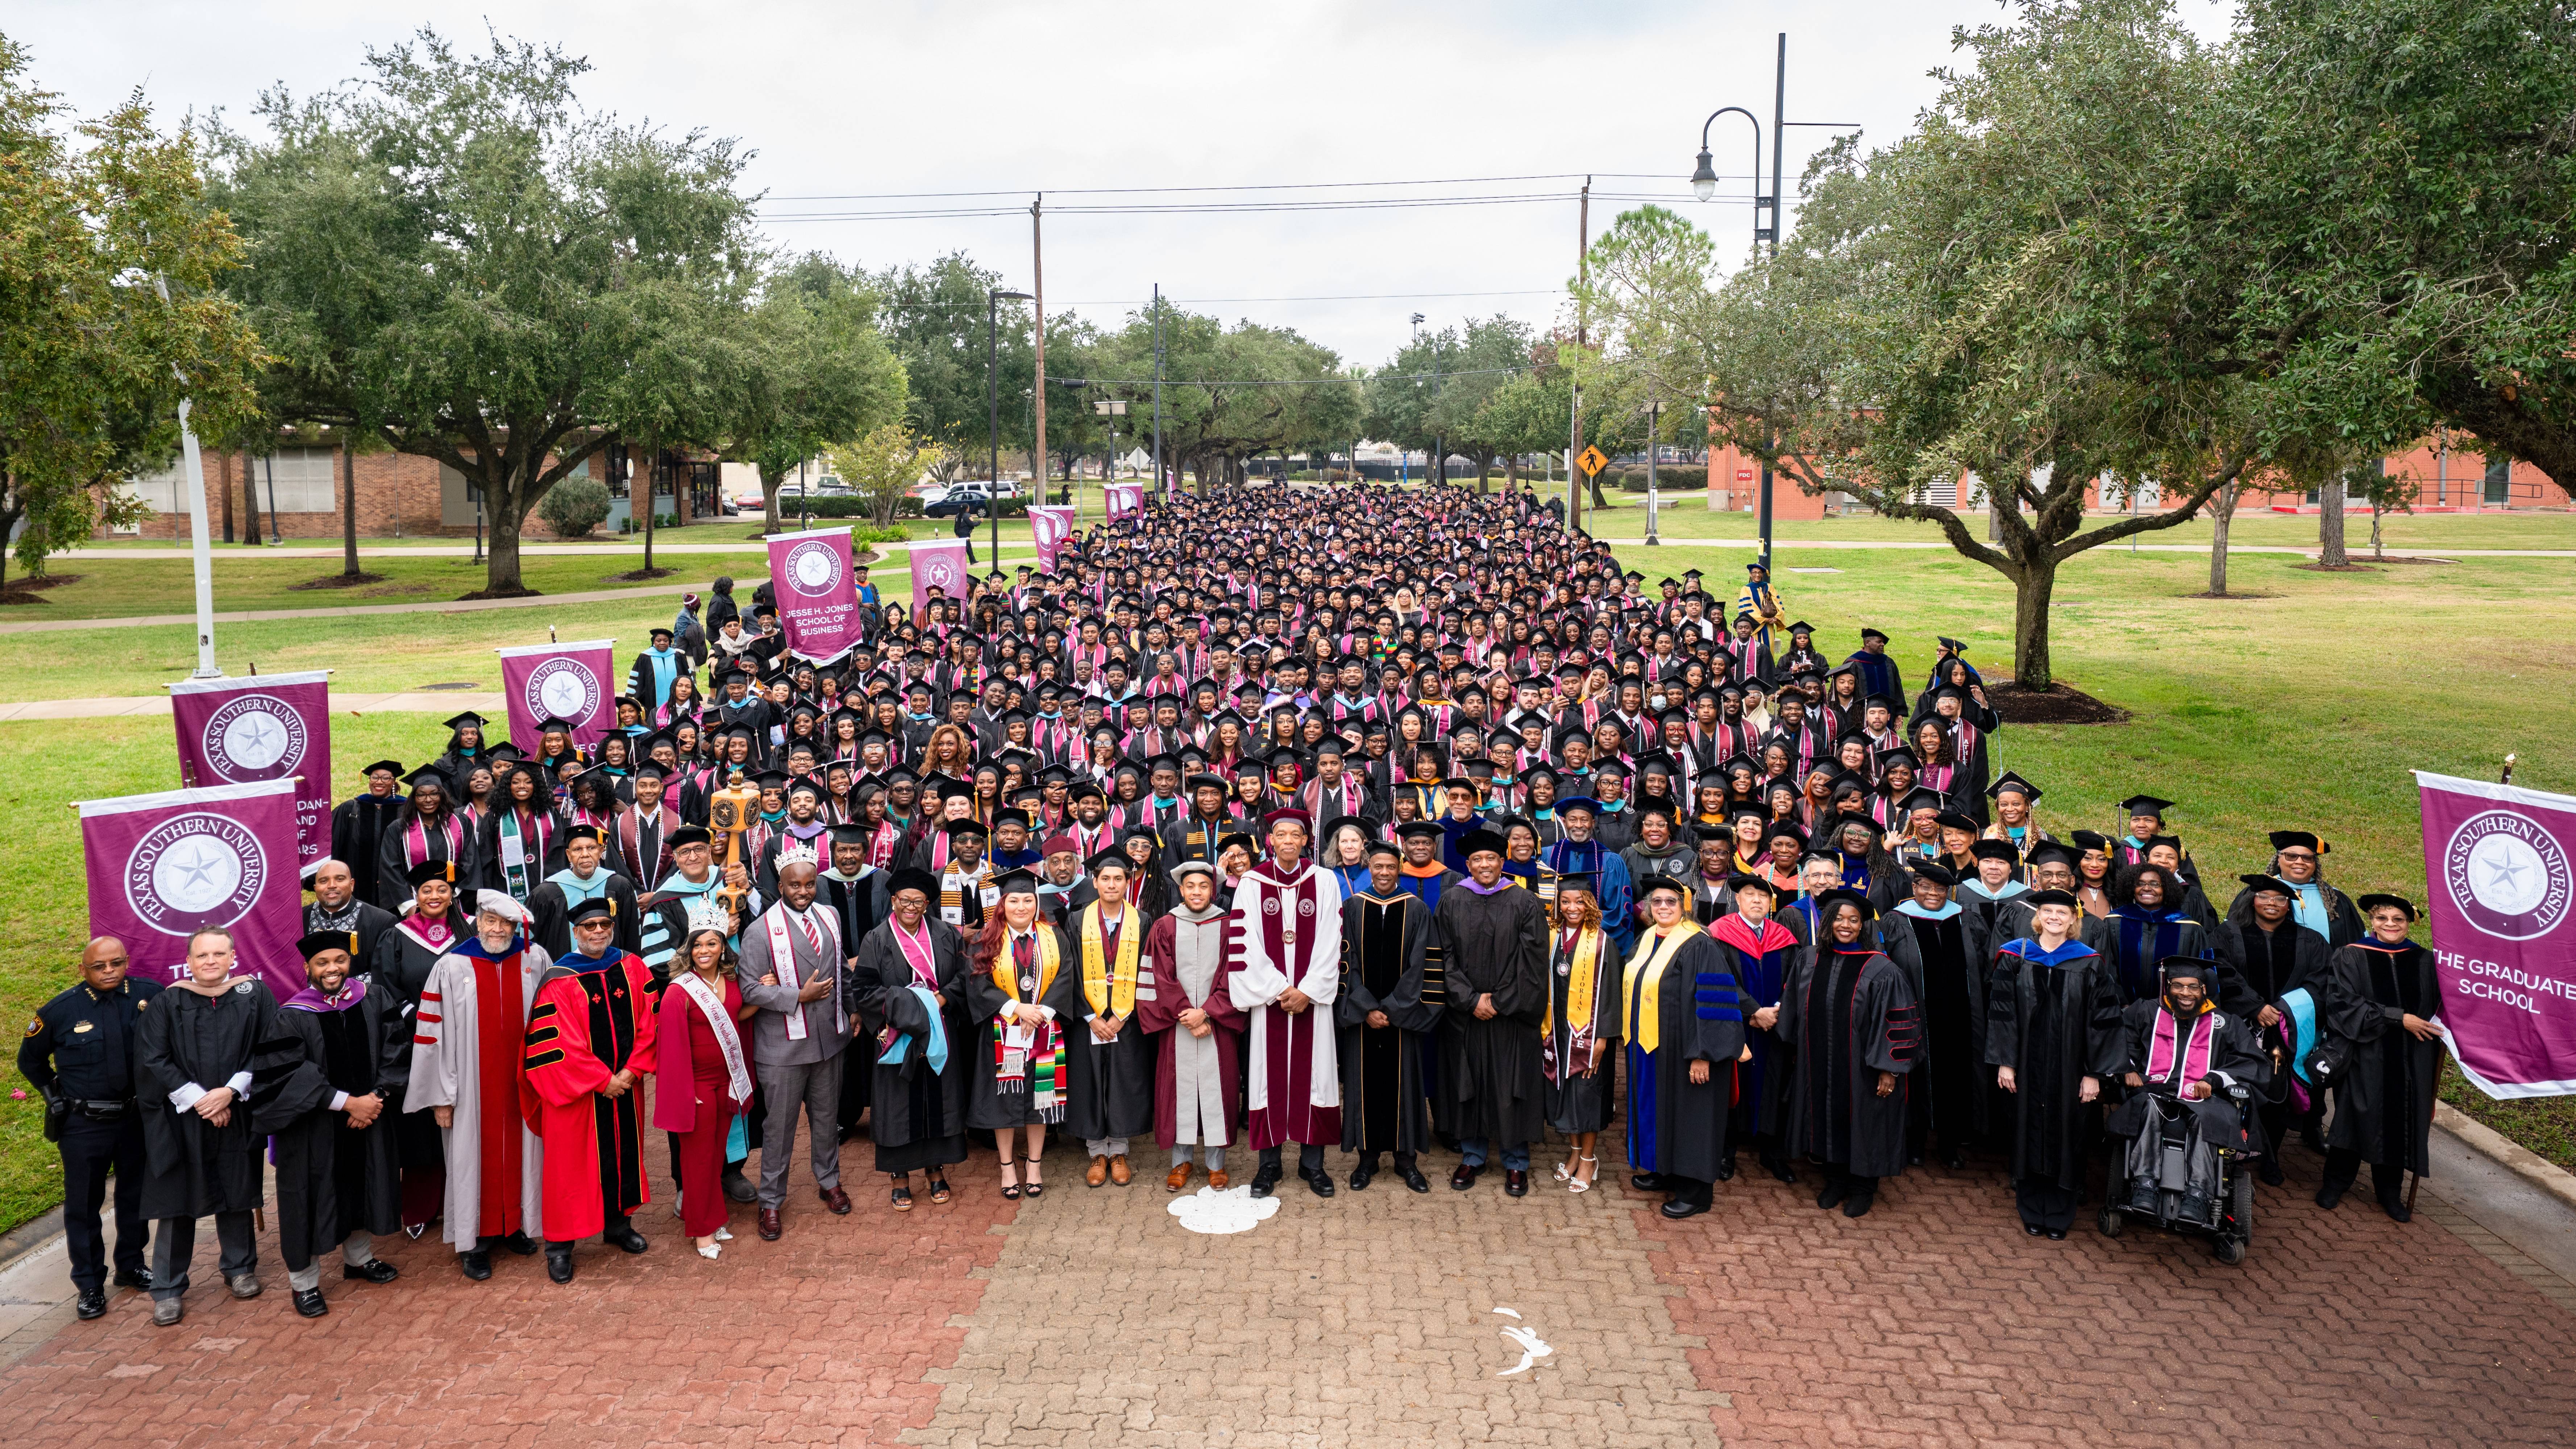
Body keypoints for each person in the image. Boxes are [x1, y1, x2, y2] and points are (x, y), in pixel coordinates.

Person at [250, 930, 406, 1317]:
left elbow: (397, 1050)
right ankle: (304, 1283)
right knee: (306, 1199)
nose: (332, 969)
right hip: (313, 1131)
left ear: (349, 962)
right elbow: (286, 1077)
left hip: (369, 1117)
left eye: (339, 960)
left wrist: (376, 1099)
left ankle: (359, 1259)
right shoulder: (291, 1016)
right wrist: (350, 1104)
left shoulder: (373, 998)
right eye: (322, 963)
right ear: (308, 968)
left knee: (362, 1186)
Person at [135, 928, 278, 1326]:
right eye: (202, 955)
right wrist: (202, 1099)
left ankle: (240, 1268)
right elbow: (153, 1057)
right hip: (183, 1117)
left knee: (236, 1189)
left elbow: (271, 1046)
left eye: (218, 954)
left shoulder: (255, 995)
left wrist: (230, 1092)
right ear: (189, 961)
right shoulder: (168, 1002)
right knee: (177, 1200)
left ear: (233, 957)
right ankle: (167, 1288)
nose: (211, 961)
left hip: (237, 1110)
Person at [407, 891, 549, 1279]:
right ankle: (474, 1242)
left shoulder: (535, 959)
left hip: (522, 1084)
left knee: (525, 1152)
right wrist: (441, 1097)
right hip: (469, 1088)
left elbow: (553, 1019)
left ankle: (516, 1225)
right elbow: (431, 1035)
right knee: (471, 1158)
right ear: (478, 921)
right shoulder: (452, 965)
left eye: (506, 923)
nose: (498, 929)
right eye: (491, 921)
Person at [18, 937, 161, 1320]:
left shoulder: (150, 995)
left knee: (135, 1195)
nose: (109, 971)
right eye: (99, 966)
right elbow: (30, 1061)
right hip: (84, 1124)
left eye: (116, 963)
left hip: (135, 1118)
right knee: (83, 1205)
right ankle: (90, 1284)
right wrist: (54, 1095)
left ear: (126, 961)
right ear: (83, 969)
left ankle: (131, 1265)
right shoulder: (60, 1010)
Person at [523, 898, 659, 1283]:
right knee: (569, 1170)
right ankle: (560, 1247)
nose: (598, 931)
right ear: (576, 932)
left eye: (604, 925)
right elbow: (557, 1042)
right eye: (589, 926)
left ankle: (618, 1225)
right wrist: (603, 1080)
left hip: (626, 1088)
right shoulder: (559, 979)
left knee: (624, 1156)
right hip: (578, 1095)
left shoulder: (632, 966)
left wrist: (632, 1070)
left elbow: (651, 1020)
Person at [1986, 888, 2124, 1238]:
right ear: (2038, 916)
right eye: (2047, 911)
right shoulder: (2015, 956)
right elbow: (2002, 1013)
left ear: (2074, 919)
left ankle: (2061, 1212)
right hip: (2026, 1064)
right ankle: (2031, 1207)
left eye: (2062, 913)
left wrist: (2094, 1073)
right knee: (2026, 1130)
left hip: (2071, 1066)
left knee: (2069, 1134)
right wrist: (2006, 1062)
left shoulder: (2089, 962)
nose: (2054, 918)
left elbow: (2102, 1021)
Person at [1226, 809, 1346, 1199]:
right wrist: (1282, 989)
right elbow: (1245, 942)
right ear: (1271, 840)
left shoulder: (1324, 880)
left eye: (1297, 834)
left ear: (1306, 840)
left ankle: (1313, 1165)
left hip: (1313, 1001)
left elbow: (1332, 938)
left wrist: (1307, 991)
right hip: (1271, 1002)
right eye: (1282, 834)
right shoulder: (1252, 882)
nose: (1289, 841)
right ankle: (1269, 1165)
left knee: (1317, 1079)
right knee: (1266, 1080)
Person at [1775, 891, 1918, 1219]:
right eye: (1839, 919)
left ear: (1862, 926)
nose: (1846, 925)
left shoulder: (1881, 968)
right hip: (1817, 1061)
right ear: (1827, 922)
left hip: (1863, 1067)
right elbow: (1794, 1007)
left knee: (1864, 1123)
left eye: (1854, 920)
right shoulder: (1809, 958)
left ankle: (1863, 1188)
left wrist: (1890, 1069)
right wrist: (1795, 1048)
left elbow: (1898, 1023)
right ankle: (1836, 1180)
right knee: (1825, 1117)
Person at [735, 860, 854, 1239]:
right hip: (783, 1047)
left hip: (829, 1040)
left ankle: (829, 1180)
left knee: (827, 1119)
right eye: (794, 885)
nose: (803, 892)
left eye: (809, 884)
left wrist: (852, 1010)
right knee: (780, 1128)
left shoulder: (831, 916)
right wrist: (797, 996)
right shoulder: (759, 931)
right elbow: (749, 990)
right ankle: (771, 1200)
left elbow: (841, 969)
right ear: (781, 886)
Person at [2106, 957, 2268, 1224]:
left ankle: (2198, 1195)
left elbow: (2252, 1062)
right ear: (2168, 987)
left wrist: (2214, 1080)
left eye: (2193, 987)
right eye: (2178, 986)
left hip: (2203, 1100)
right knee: (2147, 1107)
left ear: (2204, 989)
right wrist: (2128, 1069)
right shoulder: (2147, 1012)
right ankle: (2144, 1185)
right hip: (2155, 1091)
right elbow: (2119, 1040)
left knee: (2208, 1119)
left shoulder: (2225, 1023)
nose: (2186, 993)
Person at [1621, 877, 1746, 1220]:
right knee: (1662, 1111)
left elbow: (1714, 1003)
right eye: (1657, 902)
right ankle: (1664, 1169)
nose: (1663, 907)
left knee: (1692, 1117)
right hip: (1652, 1049)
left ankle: (1696, 1193)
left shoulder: (1700, 944)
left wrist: (1702, 1054)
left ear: (1684, 906)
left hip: (1687, 1051)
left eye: (1671, 902)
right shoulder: (1647, 939)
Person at [848, 868, 972, 1209]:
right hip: (896, 1032)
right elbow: (864, 989)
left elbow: (964, 977)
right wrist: (909, 1007)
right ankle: (899, 1175)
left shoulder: (946, 934)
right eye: (905, 901)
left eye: (918, 902)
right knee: (898, 1101)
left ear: (927, 904)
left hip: (940, 1028)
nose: (911, 907)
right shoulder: (877, 939)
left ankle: (935, 1168)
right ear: (894, 901)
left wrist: (940, 1000)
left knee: (938, 1096)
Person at [2317, 895, 2441, 1221]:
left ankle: (2389, 1192)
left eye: (2398, 919)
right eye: (2382, 918)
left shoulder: (2425, 961)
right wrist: (2399, 1018)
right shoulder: (2351, 955)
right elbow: (2343, 1004)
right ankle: (2335, 1183)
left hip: (2412, 1058)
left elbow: (2441, 1008)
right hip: (2366, 1052)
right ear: (2372, 922)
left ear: (2410, 923)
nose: (2390, 925)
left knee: (2400, 1121)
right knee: (2354, 1116)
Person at [965, 870, 1080, 1199]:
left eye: (1028, 900)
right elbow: (977, 981)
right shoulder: (986, 938)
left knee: (1039, 1100)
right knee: (1003, 1102)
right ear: (1003, 904)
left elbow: (1067, 974)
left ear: (1036, 903)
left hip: (1045, 1029)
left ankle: (1034, 1165)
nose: (1021, 907)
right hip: (1002, 1033)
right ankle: (1007, 1167)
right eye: (1014, 900)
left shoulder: (1054, 936)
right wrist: (1017, 1009)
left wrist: (1041, 1013)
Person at [2213, 872, 2331, 1182]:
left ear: (2289, 905)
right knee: (2235, 1088)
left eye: (2280, 899)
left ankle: (2271, 1156)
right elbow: (2221, 973)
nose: (2272, 903)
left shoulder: (2311, 941)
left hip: (2287, 1029)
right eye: (2264, 897)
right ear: (2253, 900)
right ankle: (2230, 1152)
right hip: (2240, 1027)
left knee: (2278, 1093)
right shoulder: (2228, 934)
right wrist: (2255, 1007)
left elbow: (2319, 982)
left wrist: (2283, 1010)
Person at [1334, 841, 1438, 1193]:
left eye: (1390, 867)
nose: (1383, 872)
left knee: (1404, 1086)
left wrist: (1392, 1009)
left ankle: (1406, 1160)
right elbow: (1344, 961)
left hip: (1402, 1019)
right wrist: (1366, 1008)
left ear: (1399, 869)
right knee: (1363, 1086)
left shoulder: (1417, 909)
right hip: (1362, 1019)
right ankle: (1367, 1158)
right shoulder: (1352, 907)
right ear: (1370, 868)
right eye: (1378, 866)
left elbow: (1421, 965)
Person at [1875, 861, 1993, 1170]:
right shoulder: (1895, 920)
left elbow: (1984, 966)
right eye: (1925, 887)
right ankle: (1915, 1141)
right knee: (1916, 1074)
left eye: (1940, 889)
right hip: (1916, 1017)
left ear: (1949, 892)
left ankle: (1949, 1143)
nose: (1932, 894)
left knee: (1957, 1074)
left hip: (1961, 1017)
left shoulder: (1966, 920)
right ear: (1914, 888)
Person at [1140, 860, 1246, 1191]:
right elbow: (1160, 977)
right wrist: (1187, 1013)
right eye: (1191, 886)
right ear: (1181, 890)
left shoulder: (1229, 926)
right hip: (1178, 1026)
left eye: (1204, 886)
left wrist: (1209, 1012)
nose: (1197, 892)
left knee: (1220, 1089)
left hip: (1218, 1025)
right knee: (1177, 1091)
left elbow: (1236, 974)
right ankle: (1181, 1161)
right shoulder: (1165, 926)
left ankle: (1217, 1164)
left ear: (1213, 890)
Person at [654, 927, 750, 1258]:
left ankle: (715, 1218)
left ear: (723, 947)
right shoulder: (678, 991)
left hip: (727, 1080)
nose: (704, 951)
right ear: (689, 950)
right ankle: (701, 1231)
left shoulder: (732, 981)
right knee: (697, 1160)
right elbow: (668, 1047)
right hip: (697, 1085)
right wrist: (683, 1090)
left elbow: (737, 1014)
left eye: (712, 944)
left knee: (716, 1156)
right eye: (697, 945)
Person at [1066, 852, 1158, 1188]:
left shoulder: (1143, 920)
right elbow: (1070, 970)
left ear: (1127, 882)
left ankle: (1118, 1150)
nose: (1112, 885)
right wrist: (1090, 1016)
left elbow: (1148, 969)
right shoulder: (1077, 920)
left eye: (1118, 879)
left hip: (1126, 1020)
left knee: (1123, 1080)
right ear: (1095, 882)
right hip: (1088, 1020)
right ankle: (1096, 1152)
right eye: (1105, 878)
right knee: (1090, 1080)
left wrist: (1123, 1014)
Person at [1705, 871, 1803, 1183]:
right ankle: (1726, 1153)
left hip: (1774, 1028)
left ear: (1771, 902)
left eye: (1763, 895)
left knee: (1775, 1084)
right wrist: (1753, 1011)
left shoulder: (1783, 938)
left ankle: (1772, 1153)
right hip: (1736, 1026)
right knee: (1731, 1087)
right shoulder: (1719, 934)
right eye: (1750, 894)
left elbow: (1795, 982)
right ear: (1738, 899)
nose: (1757, 900)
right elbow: (1718, 980)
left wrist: (1777, 1011)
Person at [1541, 875, 1624, 1196]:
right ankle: (1575, 1154)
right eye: (1566, 901)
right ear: (1558, 905)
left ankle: (1589, 1160)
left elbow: (1612, 995)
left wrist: (1603, 1038)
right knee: (1566, 1093)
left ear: (1589, 904)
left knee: (1586, 1095)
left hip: (1588, 1036)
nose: (1572, 907)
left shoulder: (1603, 943)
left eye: (1579, 901)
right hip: (1557, 1033)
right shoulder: (1551, 938)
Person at [528, 823, 643, 959]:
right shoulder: (547, 894)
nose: (585, 855)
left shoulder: (620, 887)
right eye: (577, 849)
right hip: (564, 971)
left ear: (601, 851)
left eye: (591, 848)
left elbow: (632, 938)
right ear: (569, 855)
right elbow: (533, 946)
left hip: (613, 969)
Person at [303, 857, 397, 984]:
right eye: (324, 881)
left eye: (340, 879)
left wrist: (341, 988)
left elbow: (384, 974)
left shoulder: (381, 922)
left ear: (352, 885)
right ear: (315, 888)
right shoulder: (301, 918)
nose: (332, 886)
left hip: (362, 996)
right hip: (308, 996)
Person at [331, 759, 408, 909]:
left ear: (393, 782)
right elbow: (332, 841)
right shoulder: (351, 809)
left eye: (386, 778)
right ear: (369, 781)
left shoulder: (405, 810)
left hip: (393, 884)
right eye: (375, 777)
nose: (379, 782)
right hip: (357, 883)